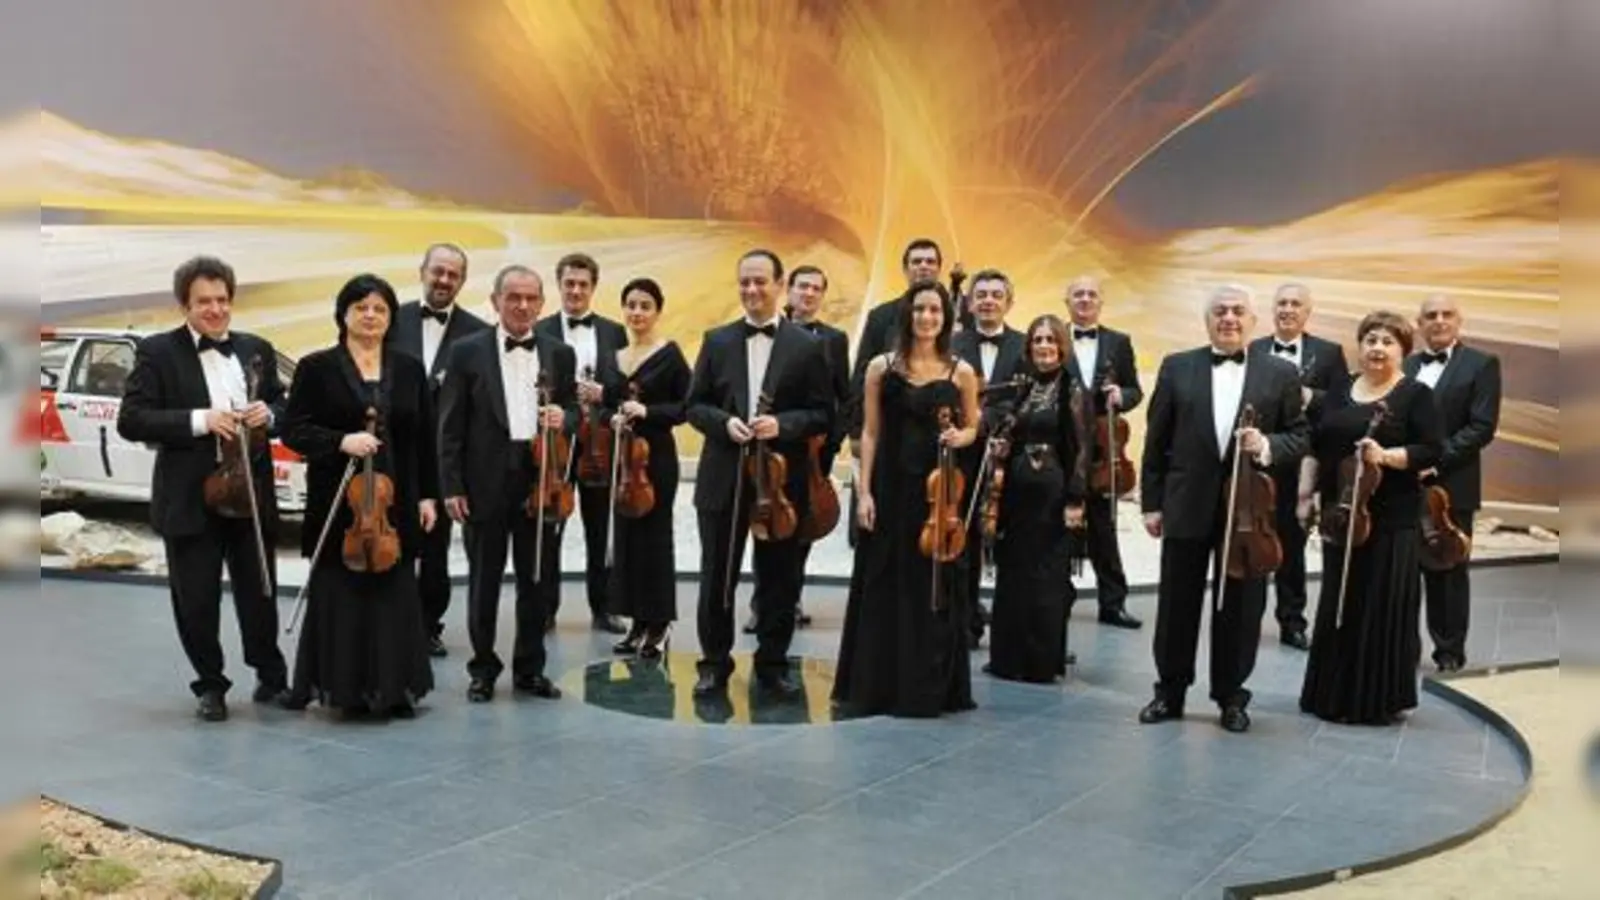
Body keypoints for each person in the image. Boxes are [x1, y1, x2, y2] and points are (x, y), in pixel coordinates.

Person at [116, 255, 290, 722]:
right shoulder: (157, 352)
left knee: (261, 591)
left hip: (250, 495)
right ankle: (210, 684)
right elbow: (131, 419)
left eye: (222, 300)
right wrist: (200, 420)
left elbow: (283, 408)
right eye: (204, 302)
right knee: (196, 598)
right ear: (185, 305)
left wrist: (268, 415)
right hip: (191, 496)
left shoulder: (256, 348)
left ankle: (270, 675)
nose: (215, 310)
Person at [1137, 284, 1308, 733]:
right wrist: (1151, 504)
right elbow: (1156, 440)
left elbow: (1301, 435)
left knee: (1241, 606)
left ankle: (1231, 696)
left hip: (1247, 514)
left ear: (1253, 321)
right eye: (1219, 311)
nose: (1228, 318)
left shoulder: (1280, 373)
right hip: (1186, 503)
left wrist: (1267, 444)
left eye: (1237, 312)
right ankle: (1169, 693)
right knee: (1177, 604)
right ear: (1207, 320)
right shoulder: (1177, 367)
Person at [280, 274, 437, 718]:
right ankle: (344, 688)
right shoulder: (316, 367)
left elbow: (424, 436)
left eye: (380, 309)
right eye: (361, 307)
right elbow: (293, 429)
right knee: (342, 592)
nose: (370, 316)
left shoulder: (409, 369)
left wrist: (428, 496)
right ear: (343, 314)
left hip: (396, 500)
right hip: (340, 503)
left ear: (391, 317)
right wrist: (339, 442)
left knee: (394, 594)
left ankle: (393, 689)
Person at [686, 249, 831, 699]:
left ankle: (772, 664)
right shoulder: (717, 340)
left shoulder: (808, 346)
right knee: (717, 577)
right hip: (723, 477)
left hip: (781, 482)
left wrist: (782, 425)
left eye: (760, 282)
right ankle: (713, 664)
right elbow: (694, 405)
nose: (751, 290)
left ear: (780, 284)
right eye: (744, 282)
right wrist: (723, 423)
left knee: (779, 578)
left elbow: (824, 413)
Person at [832, 281, 981, 717]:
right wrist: (864, 493)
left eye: (935, 310)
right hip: (890, 490)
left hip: (937, 497)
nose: (927, 317)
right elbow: (870, 432)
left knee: (931, 589)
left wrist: (961, 435)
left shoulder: (961, 372)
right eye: (919, 309)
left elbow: (974, 426)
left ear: (946, 317)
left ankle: (929, 686)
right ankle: (878, 686)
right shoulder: (882, 367)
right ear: (907, 314)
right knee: (883, 581)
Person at [437, 265, 576, 702]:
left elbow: (573, 409)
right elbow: (450, 426)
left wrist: (565, 417)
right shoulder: (466, 351)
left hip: (540, 480)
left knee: (537, 581)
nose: (522, 305)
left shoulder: (559, 353)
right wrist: (452, 486)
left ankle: (530, 670)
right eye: (513, 297)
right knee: (484, 582)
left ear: (542, 303)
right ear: (495, 301)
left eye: (531, 298)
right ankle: (482, 669)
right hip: (484, 482)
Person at [1298, 310, 1443, 725]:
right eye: (1370, 340)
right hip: (1340, 512)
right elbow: (1318, 442)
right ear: (1359, 345)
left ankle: (1373, 698)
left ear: (1403, 351)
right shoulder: (1340, 388)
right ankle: (1331, 693)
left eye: (1388, 342)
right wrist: (1305, 497)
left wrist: (1388, 457)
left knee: (1377, 604)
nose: (1377, 348)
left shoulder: (1415, 394)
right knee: (1337, 600)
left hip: (1390, 516)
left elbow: (1432, 448)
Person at [392, 243, 490, 657]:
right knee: (390, 539)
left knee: (436, 548)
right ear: (422, 271)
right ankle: (390, 618)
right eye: (438, 271)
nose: (444, 280)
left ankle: (428, 623)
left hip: (444, 459)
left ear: (462, 281)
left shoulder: (478, 332)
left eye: (453, 274)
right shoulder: (389, 318)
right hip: (393, 451)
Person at [984, 314, 1090, 683]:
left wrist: (1076, 500)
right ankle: (1007, 659)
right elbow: (1011, 432)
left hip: (1051, 498)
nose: (1043, 346)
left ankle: (1040, 662)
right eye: (1037, 340)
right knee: (1013, 575)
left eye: (1050, 340)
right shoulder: (1025, 388)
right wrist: (1002, 445)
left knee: (1046, 580)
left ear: (1062, 346)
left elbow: (1080, 449)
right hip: (1015, 497)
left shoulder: (1072, 389)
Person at [745, 264, 849, 633]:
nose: (808, 294)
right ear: (788, 290)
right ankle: (761, 603)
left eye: (816, 289)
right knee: (764, 521)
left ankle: (791, 598)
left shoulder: (834, 340)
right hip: (765, 450)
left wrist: (829, 448)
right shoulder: (762, 331)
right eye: (802, 287)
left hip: (810, 452)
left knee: (800, 526)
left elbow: (840, 398)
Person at [1247, 283, 1350, 650]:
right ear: (1272, 310)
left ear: (1308, 312)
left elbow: (1341, 404)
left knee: (1292, 544)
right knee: (1252, 540)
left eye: (1296, 304)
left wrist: (1310, 397)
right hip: (1259, 463)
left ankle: (1292, 621)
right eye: (1282, 303)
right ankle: (1247, 619)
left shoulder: (1328, 352)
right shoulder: (1253, 348)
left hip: (1304, 465)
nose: (1288, 309)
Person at [1404, 294, 1501, 672]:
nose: (1439, 321)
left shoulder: (1482, 364)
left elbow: (1481, 426)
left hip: (1451, 485)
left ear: (1459, 321)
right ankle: (1402, 650)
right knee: (1403, 574)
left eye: (1447, 314)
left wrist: (1432, 462)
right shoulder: (1407, 365)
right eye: (1431, 315)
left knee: (1447, 570)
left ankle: (1448, 653)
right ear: (1419, 323)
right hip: (1403, 485)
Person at [536, 252, 630, 634]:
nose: (575, 290)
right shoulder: (538, 330)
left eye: (583, 284)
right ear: (559, 285)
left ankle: (603, 607)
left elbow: (624, 387)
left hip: (600, 445)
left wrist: (603, 392)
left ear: (593, 287)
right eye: (569, 283)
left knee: (599, 527)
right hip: (553, 445)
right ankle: (544, 609)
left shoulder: (613, 332)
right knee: (550, 525)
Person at [601, 277, 691, 658]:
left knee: (654, 540)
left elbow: (688, 407)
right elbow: (605, 405)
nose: (637, 312)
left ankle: (659, 624)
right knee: (626, 540)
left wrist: (649, 411)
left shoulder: (670, 354)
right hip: (623, 461)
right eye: (631, 305)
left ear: (657, 311)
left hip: (656, 459)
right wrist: (612, 419)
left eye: (645, 306)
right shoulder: (615, 357)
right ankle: (637, 620)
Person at [951, 268, 1028, 648]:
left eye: (997, 295)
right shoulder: (951, 345)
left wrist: (991, 422)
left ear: (1009, 302)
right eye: (980, 294)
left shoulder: (1027, 345)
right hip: (962, 457)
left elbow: (1027, 398)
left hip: (1009, 458)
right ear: (969, 302)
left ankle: (1012, 630)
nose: (988, 301)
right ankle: (965, 622)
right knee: (963, 537)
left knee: (1009, 541)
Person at [1062, 275, 1143, 630]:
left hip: (1100, 454)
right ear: (1067, 302)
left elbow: (1135, 390)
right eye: (1078, 294)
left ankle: (1113, 603)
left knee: (1104, 532)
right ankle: (1057, 602)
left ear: (1100, 302)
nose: (1084, 299)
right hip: (1062, 447)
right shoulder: (1052, 336)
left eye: (1091, 294)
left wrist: (1121, 396)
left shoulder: (1119, 342)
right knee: (1057, 533)